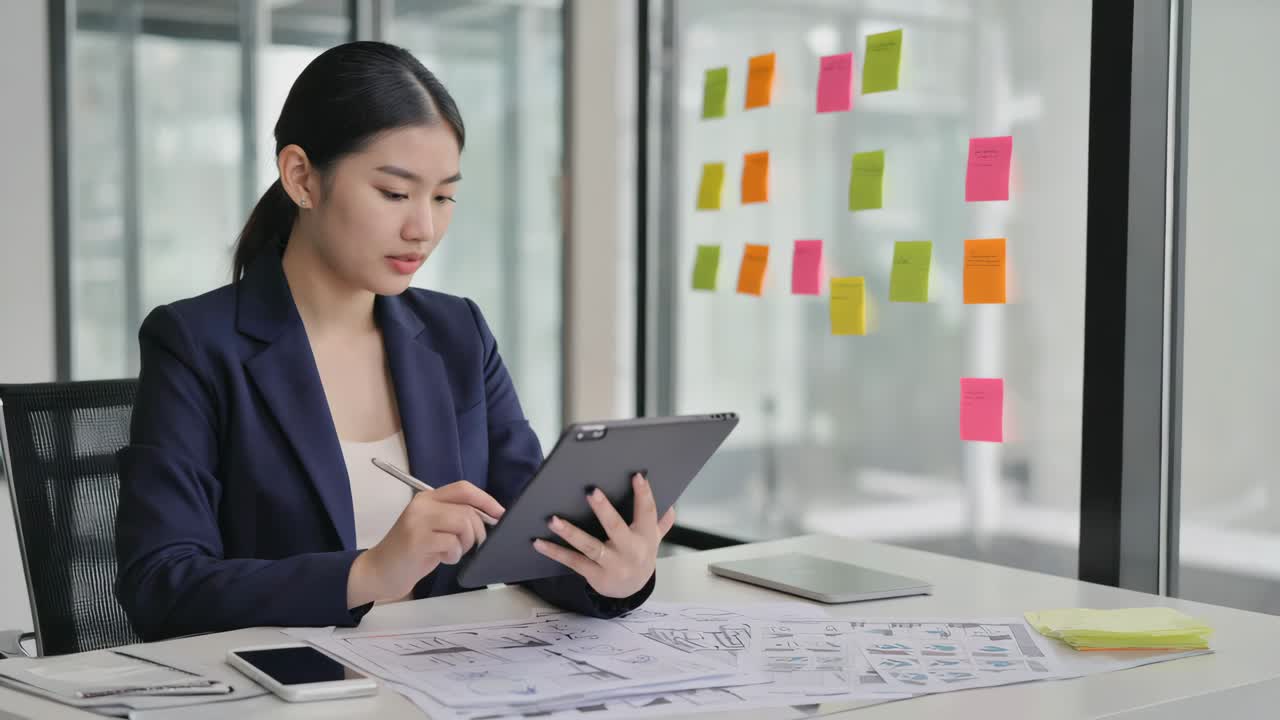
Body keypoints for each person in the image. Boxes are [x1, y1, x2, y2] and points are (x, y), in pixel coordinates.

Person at [114, 41, 672, 642]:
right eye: (395, 193)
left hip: (445, 683)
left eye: (442, 196)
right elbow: (160, 586)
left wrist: (614, 575)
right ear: (302, 178)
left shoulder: (459, 333)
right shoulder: (196, 345)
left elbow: (529, 540)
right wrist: (370, 571)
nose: (423, 228)